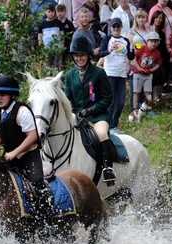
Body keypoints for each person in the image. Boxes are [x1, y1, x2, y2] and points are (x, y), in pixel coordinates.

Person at [0, 75, 51, 226]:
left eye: (2, 95)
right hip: (10, 157)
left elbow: (33, 136)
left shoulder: (22, 111)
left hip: (29, 156)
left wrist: (14, 153)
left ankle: (45, 218)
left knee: (37, 182)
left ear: (11, 95)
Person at [64, 35, 116, 186]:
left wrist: (91, 110)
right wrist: (73, 113)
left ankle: (108, 168)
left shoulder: (99, 73)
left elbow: (107, 98)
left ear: (88, 55)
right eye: (76, 55)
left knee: (100, 134)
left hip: (98, 116)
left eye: (82, 55)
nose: (78, 58)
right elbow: (68, 99)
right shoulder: (69, 75)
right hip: (78, 117)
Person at [99, 17, 134, 135]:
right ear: (110, 28)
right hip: (110, 73)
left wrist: (132, 50)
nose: (116, 28)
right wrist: (109, 50)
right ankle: (107, 126)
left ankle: (114, 125)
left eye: (118, 26)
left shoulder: (125, 40)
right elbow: (100, 53)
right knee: (111, 101)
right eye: (114, 26)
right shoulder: (107, 39)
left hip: (122, 74)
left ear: (121, 27)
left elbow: (130, 57)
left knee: (121, 102)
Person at [130, 32, 162, 122]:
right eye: (151, 41)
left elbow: (158, 64)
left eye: (155, 42)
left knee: (148, 92)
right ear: (147, 41)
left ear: (158, 43)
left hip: (148, 74)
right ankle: (135, 109)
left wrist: (151, 70)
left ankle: (148, 108)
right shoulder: (142, 48)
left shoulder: (157, 53)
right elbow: (134, 58)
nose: (153, 44)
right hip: (138, 73)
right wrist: (139, 68)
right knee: (136, 92)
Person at [38, 4, 65, 69]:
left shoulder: (59, 23)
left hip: (57, 49)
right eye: (49, 11)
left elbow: (62, 35)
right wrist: (41, 48)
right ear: (45, 12)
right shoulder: (42, 24)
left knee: (58, 66)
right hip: (46, 49)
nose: (51, 13)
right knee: (47, 67)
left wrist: (62, 46)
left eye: (53, 11)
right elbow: (40, 37)